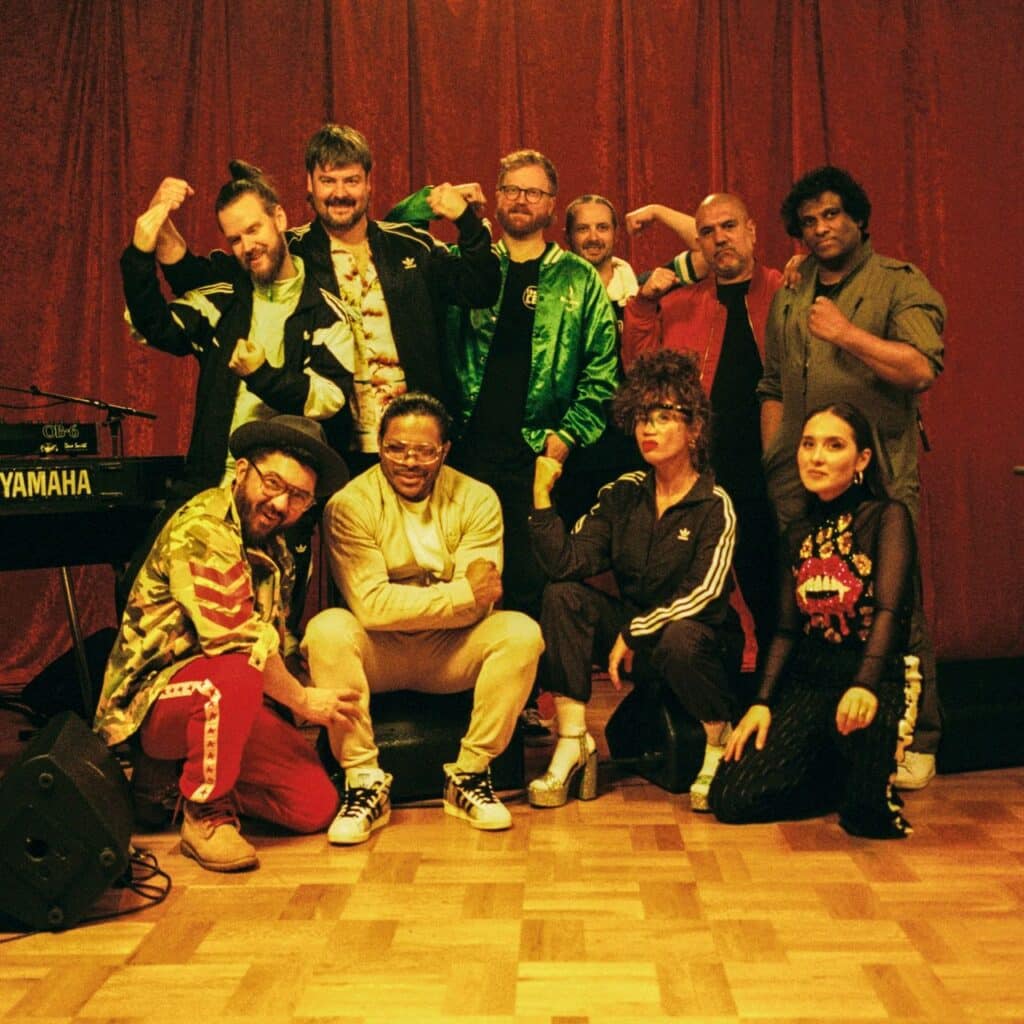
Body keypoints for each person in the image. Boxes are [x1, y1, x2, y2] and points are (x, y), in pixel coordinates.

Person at [93, 415, 355, 872]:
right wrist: (303, 701)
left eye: (298, 496)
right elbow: (239, 643)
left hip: (230, 698)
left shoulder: (275, 549)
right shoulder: (205, 527)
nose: (280, 504)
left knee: (315, 804)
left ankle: (169, 784)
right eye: (273, 483)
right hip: (154, 700)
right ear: (243, 472)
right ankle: (204, 813)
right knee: (237, 668)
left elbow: (274, 643)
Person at [156, 124, 501, 468]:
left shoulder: (411, 245)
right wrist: (159, 217)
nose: (340, 193)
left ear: (368, 182)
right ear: (309, 184)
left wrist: (466, 222)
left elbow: (481, 288)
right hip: (329, 451)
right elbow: (194, 277)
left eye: (351, 180)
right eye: (328, 181)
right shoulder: (288, 253)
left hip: (415, 446)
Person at [758, 166, 946, 789]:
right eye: (808, 221)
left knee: (893, 600)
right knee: (809, 601)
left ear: (859, 219)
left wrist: (847, 334)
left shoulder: (898, 282)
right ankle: (819, 731)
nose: (821, 228)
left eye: (832, 214)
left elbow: (920, 369)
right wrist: (776, 456)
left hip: (877, 473)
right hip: (799, 474)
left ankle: (917, 737)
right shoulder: (792, 288)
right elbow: (772, 383)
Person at [303, 393, 543, 843]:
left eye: (424, 451)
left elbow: (482, 604)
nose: (409, 462)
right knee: (327, 630)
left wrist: (435, 602)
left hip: (450, 652)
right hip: (381, 655)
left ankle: (469, 774)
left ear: (444, 450)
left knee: (521, 633)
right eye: (396, 449)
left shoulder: (477, 498)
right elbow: (370, 607)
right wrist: (460, 594)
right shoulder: (349, 504)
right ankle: (363, 780)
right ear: (379, 445)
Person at [119, 162, 355, 619]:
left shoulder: (325, 311)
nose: (248, 246)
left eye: (254, 230)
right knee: (142, 598)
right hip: (208, 483)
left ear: (279, 218)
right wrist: (140, 253)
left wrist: (262, 374)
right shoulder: (223, 297)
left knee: (267, 622)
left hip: (281, 498)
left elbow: (328, 399)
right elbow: (156, 327)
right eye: (235, 239)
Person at [528, 350, 739, 811]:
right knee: (563, 595)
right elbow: (566, 563)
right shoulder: (624, 492)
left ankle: (717, 741)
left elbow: (704, 595)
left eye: (664, 417)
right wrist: (542, 498)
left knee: (681, 635)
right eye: (642, 417)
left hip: (700, 645)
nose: (648, 428)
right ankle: (573, 742)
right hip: (637, 643)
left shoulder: (715, 504)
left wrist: (634, 631)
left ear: (694, 429)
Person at [710, 402, 918, 839]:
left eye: (834, 445)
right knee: (730, 797)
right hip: (810, 679)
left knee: (864, 817)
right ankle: (832, 774)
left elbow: (890, 612)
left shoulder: (886, 517)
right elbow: (787, 631)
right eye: (808, 444)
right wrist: (762, 702)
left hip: (873, 676)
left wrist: (864, 684)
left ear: (862, 459)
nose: (816, 457)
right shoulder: (797, 533)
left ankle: (857, 774)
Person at [623, 193, 784, 670]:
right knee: (698, 587)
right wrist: (643, 305)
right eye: (708, 232)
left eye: (729, 226)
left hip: (773, 466)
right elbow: (640, 366)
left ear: (751, 230)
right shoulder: (680, 302)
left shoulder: (784, 290)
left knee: (771, 582)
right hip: (703, 469)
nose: (720, 239)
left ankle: (778, 688)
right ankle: (713, 687)